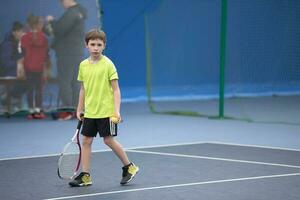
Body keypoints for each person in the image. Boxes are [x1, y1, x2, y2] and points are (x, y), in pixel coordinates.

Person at [69, 29, 139, 187]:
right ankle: (85, 176)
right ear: (86, 45)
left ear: (104, 46)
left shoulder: (108, 64)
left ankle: (130, 167)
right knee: (86, 141)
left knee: (108, 140)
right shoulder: (83, 65)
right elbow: (83, 89)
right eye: (92, 44)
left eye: (99, 45)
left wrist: (116, 111)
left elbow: (116, 90)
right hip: (90, 112)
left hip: (107, 112)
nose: (95, 47)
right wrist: (79, 108)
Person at [46, 0, 87, 120]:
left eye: (62, 1)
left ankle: (68, 111)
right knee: (75, 82)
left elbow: (60, 29)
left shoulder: (71, 13)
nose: (61, 3)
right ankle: (78, 110)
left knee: (64, 81)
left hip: (66, 54)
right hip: (76, 52)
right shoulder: (79, 12)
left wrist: (51, 21)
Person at [21, 14, 48, 119]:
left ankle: (31, 111)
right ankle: (38, 110)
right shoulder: (44, 38)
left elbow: (22, 54)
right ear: (37, 24)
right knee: (39, 89)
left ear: (29, 25)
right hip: (40, 67)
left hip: (28, 67)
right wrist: (45, 70)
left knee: (30, 89)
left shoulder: (24, 37)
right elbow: (46, 55)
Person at [0, 21, 26, 110]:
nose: (22, 34)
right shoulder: (6, 45)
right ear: (14, 32)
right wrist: (19, 63)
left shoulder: (21, 45)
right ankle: (6, 99)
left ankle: (13, 99)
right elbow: (5, 64)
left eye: (23, 31)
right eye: (20, 31)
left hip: (18, 76)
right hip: (6, 76)